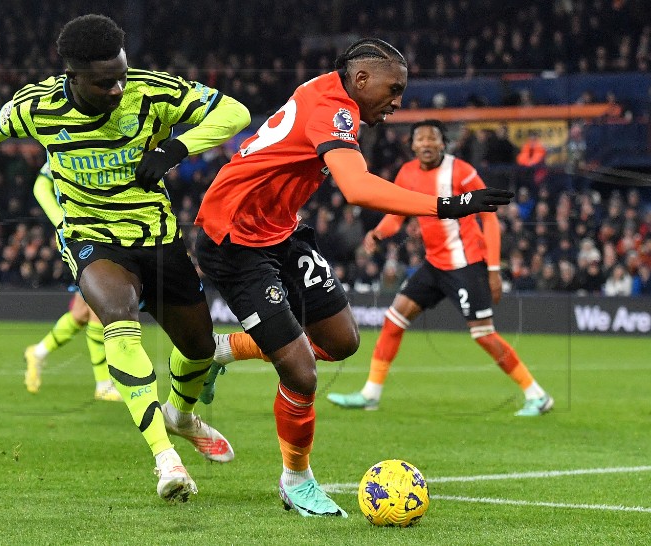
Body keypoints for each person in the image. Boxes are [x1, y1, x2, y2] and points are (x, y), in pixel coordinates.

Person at [0, 14, 251, 503]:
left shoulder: (153, 91)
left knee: (199, 347)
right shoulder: (40, 105)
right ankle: (166, 458)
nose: (118, 88)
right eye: (104, 82)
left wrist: (177, 147)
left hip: (157, 237)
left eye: (121, 74)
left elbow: (236, 114)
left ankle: (181, 415)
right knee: (117, 318)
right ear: (72, 77)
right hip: (91, 236)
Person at [194, 40, 512, 518]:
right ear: (361, 80)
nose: (399, 101)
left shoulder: (330, 94)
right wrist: (450, 205)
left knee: (342, 340)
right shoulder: (333, 107)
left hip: (279, 231)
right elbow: (358, 188)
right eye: (394, 88)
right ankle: (296, 480)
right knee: (301, 371)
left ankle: (224, 350)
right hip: (234, 240)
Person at [326, 119, 553, 417]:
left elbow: (490, 219)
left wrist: (494, 269)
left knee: (483, 334)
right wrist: (379, 233)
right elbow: (398, 213)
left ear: (443, 143)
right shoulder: (406, 173)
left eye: (432, 138)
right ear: (412, 145)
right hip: (434, 263)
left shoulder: (462, 172)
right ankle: (371, 393)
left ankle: (537, 395)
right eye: (420, 139)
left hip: (465, 264)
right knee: (394, 320)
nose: (426, 144)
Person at [23, 162, 121, 402]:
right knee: (99, 307)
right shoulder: (68, 144)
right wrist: (60, 221)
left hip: (102, 232)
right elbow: (40, 185)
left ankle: (38, 352)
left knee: (80, 314)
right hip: (83, 236)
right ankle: (103, 384)